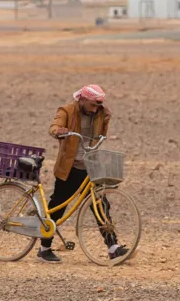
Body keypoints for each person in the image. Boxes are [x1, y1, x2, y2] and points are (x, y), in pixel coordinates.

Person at [37, 84, 127, 262]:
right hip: (70, 168)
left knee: (100, 205)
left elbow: (101, 133)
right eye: (92, 105)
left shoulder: (100, 113)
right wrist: (59, 131)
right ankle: (44, 248)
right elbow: (54, 126)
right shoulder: (67, 110)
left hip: (90, 167)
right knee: (58, 206)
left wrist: (106, 117)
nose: (95, 110)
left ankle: (113, 247)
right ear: (83, 100)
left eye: (98, 106)